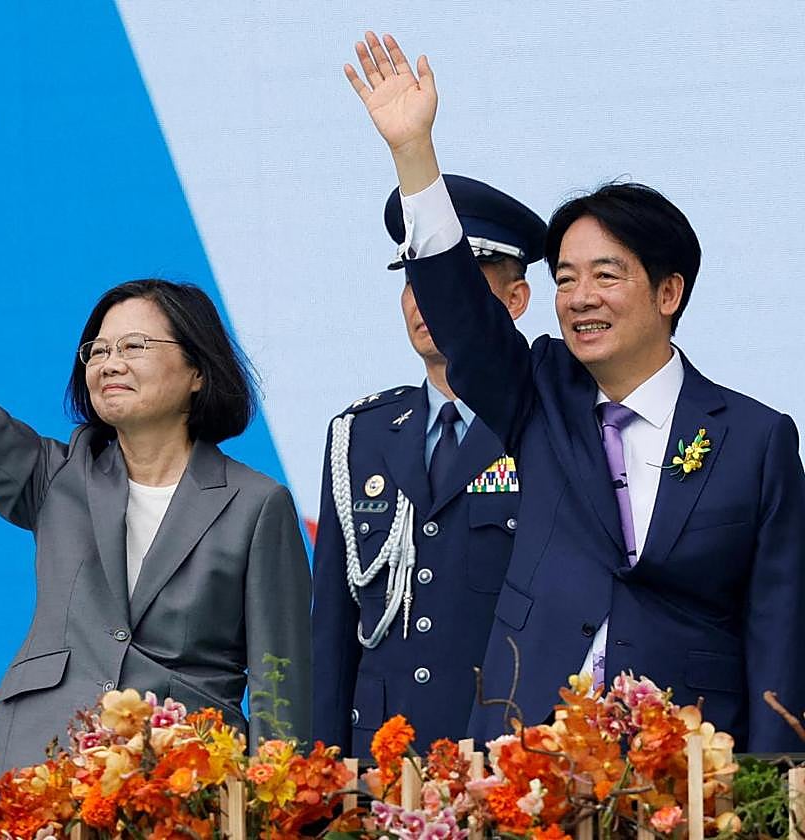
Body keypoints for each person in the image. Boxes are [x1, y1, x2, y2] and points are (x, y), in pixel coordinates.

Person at [343, 33, 805, 751]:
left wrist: (775, 787)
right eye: (565, 278)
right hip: (525, 749)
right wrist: (413, 155)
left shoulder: (755, 439)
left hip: (685, 760)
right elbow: (463, 317)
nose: (580, 297)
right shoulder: (539, 392)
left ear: (669, 292)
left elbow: (778, 628)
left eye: (606, 275)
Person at [0, 157, 312, 770]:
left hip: (185, 778)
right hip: (45, 763)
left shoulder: (256, 505)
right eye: (97, 350)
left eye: (134, 346)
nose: (109, 363)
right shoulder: (57, 477)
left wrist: (273, 800)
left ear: (198, 371)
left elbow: (281, 683)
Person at [312, 176, 543, 756]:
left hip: (503, 755)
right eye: (413, 279)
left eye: (453, 278)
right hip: (379, 759)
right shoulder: (360, 434)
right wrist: (325, 768)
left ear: (515, 300)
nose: (426, 297)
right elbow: (333, 628)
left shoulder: (544, 424)